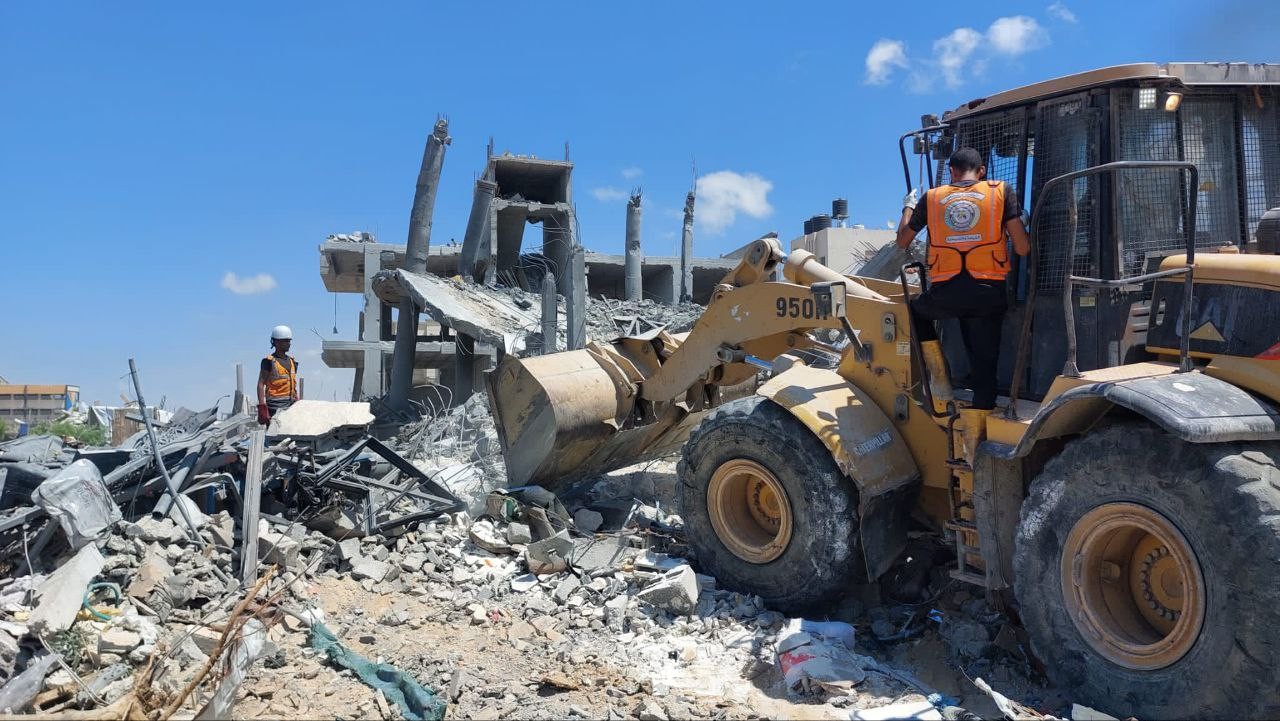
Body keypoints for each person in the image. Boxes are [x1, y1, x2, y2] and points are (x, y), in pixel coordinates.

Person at [894, 148, 1030, 457]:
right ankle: (976, 447)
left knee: (917, 311)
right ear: (980, 171)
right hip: (988, 292)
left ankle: (939, 382)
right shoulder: (1001, 192)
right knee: (985, 370)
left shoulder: (932, 197)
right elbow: (1021, 248)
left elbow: (903, 240)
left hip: (947, 294)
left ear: (952, 172)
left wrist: (908, 207)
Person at [256, 325, 300, 425]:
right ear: (276, 342)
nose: (289, 344)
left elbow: (292, 384)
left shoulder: (292, 361)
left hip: (291, 406)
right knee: (274, 437)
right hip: (274, 407)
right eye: (286, 341)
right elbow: (261, 384)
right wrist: (262, 406)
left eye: (289, 341)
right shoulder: (268, 361)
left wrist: (297, 400)